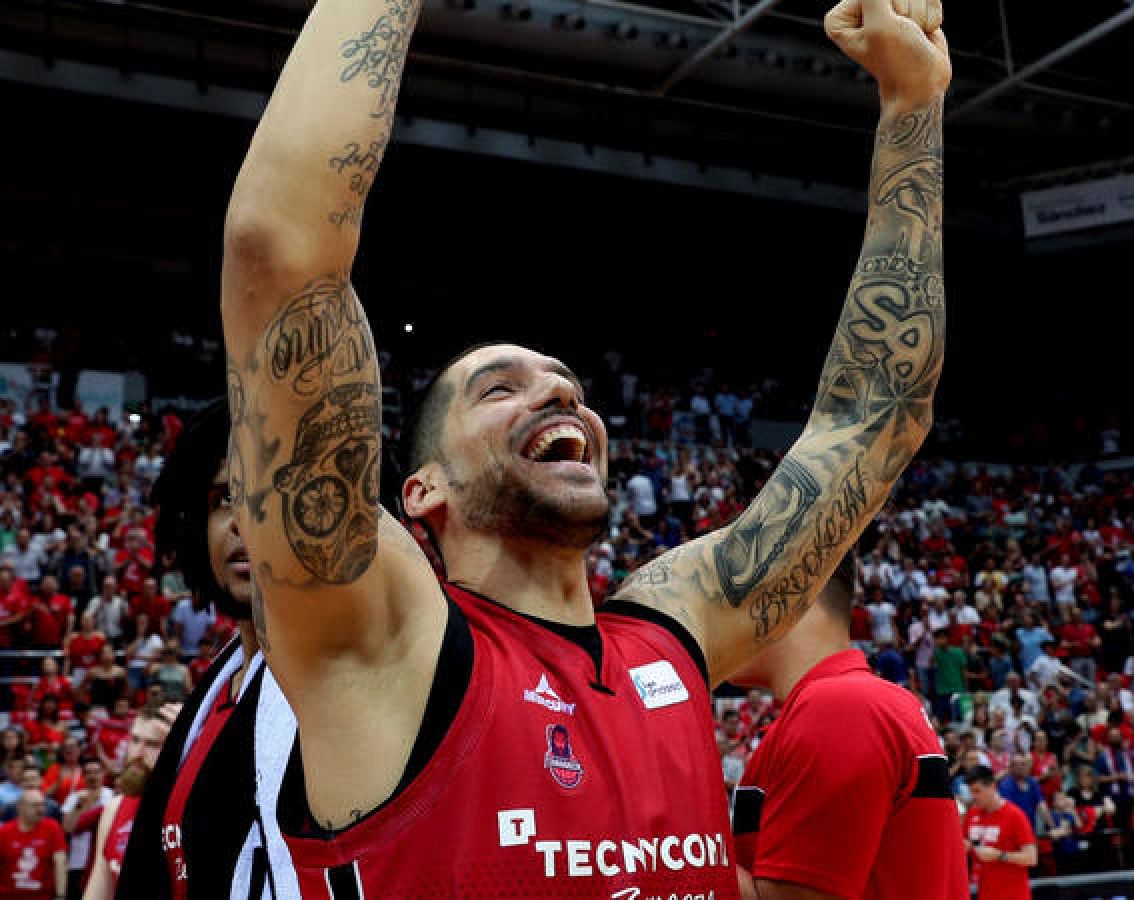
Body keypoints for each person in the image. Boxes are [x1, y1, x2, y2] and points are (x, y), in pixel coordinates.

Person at [218, 0, 948, 895]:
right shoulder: (384, 643)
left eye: (566, 383)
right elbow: (279, 252)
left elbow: (874, 418)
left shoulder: (669, 634)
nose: (558, 393)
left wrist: (914, 106)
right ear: (421, 492)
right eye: (500, 388)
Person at [117, 398, 291, 899]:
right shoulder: (214, 691)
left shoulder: (340, 683)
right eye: (222, 499)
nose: (241, 521)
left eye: (265, 495)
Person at [729, 558, 965, 899]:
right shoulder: (844, 700)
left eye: (729, 597)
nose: (714, 620)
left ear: (789, 594)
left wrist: (683, 839)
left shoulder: (839, 703)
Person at [82, 705, 179, 900]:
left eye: (153, 744)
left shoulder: (194, 809)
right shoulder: (115, 808)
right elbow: (100, 888)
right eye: (134, 740)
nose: (137, 753)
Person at [963, 768, 1036, 900]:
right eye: (971, 791)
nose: (973, 796)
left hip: (1013, 895)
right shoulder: (972, 814)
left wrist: (1000, 855)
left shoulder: (1015, 815)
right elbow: (964, 844)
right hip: (984, 893)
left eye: (977, 791)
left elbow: (1031, 858)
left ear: (992, 786)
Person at [0, 789, 66, 900]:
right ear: (21, 807)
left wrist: (60, 895)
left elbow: (60, 861)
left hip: (42, 896)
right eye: (35, 805)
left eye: (42, 805)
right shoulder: (4, 832)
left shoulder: (52, 827)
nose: (41, 809)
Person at [62, 760, 112, 900]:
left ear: (103, 774)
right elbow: (68, 827)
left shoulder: (112, 796)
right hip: (77, 863)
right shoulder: (75, 797)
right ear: (83, 776)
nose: (92, 776)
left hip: (103, 862)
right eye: (88, 773)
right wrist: (83, 804)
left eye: (96, 772)